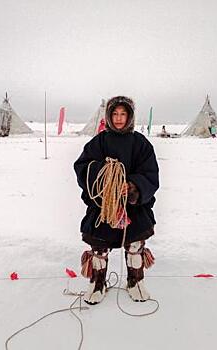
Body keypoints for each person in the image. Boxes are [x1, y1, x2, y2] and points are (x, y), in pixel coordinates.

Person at [74, 96, 159, 305]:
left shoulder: (141, 144)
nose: (119, 118)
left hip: (133, 207)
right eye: (115, 114)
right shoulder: (99, 142)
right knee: (99, 247)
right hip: (104, 207)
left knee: (135, 245)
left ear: (129, 116)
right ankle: (97, 282)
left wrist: (132, 186)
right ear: (109, 116)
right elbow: (82, 166)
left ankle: (135, 280)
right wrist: (105, 179)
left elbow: (150, 173)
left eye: (123, 114)